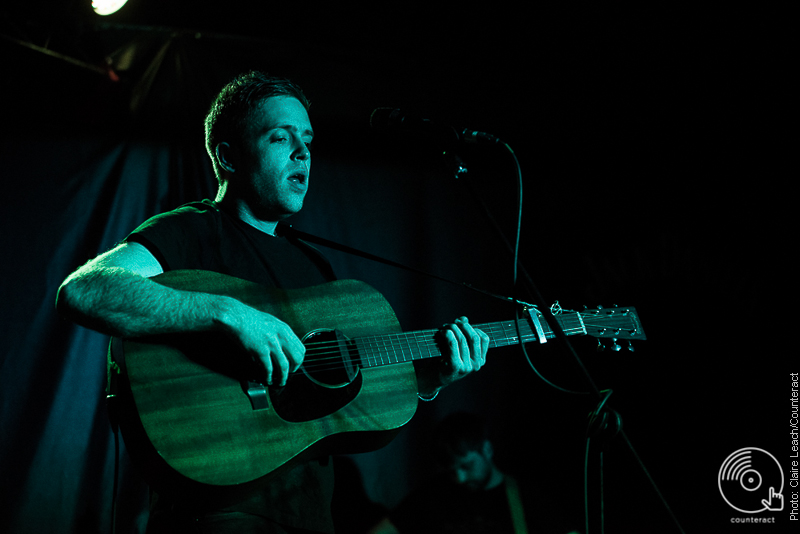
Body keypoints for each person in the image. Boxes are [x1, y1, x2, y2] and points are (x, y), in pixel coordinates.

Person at [55, 71, 490, 534]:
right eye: (281, 138)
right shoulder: (192, 230)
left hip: (310, 517)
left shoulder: (314, 266)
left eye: (307, 140)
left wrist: (429, 377)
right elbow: (85, 290)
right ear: (228, 156)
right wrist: (228, 314)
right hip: (217, 512)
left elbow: (335, 400)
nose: (302, 152)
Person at [371, 412, 580, 534]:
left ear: (487, 450)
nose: (460, 478)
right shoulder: (433, 494)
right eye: (451, 470)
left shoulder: (526, 497)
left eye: (466, 466)